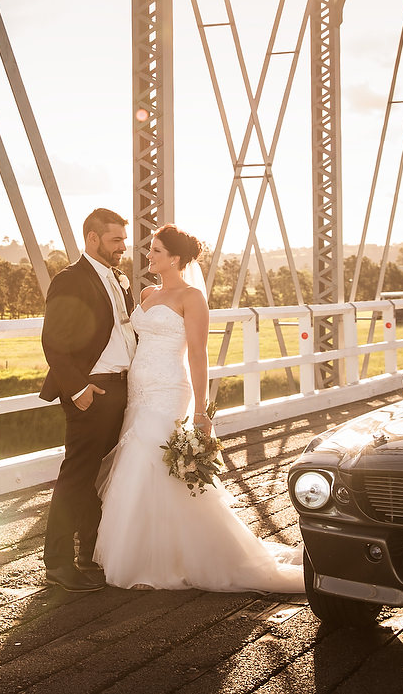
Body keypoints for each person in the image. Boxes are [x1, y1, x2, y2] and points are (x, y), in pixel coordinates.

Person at [93, 225, 303, 593]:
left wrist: (202, 412)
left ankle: (168, 562)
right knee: (135, 463)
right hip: (138, 388)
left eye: (156, 251)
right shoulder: (146, 292)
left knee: (157, 463)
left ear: (174, 258)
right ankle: (145, 553)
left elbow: (197, 354)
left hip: (170, 388)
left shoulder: (192, 298)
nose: (149, 256)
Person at [38, 208, 137, 592]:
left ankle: (90, 554)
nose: (122, 248)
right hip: (92, 390)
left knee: (101, 478)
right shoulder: (70, 280)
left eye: (123, 241)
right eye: (116, 240)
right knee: (77, 476)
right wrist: (78, 390)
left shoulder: (119, 281)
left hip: (123, 388)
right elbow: (53, 342)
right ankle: (58, 563)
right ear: (92, 238)